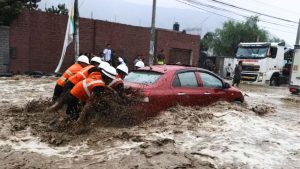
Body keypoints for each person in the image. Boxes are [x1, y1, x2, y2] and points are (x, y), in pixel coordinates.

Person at [48, 66, 117, 120]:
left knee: (60, 105)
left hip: (73, 90)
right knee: (73, 117)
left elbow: (99, 85)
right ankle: (59, 123)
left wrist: (112, 90)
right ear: (108, 78)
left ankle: (47, 113)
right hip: (74, 95)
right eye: (111, 79)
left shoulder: (96, 75)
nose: (111, 82)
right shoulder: (99, 86)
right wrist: (80, 120)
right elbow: (89, 102)